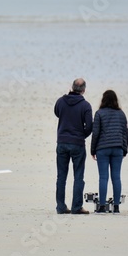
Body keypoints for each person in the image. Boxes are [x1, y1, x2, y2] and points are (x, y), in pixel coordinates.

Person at [54, 78, 92, 214]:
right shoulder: (86, 105)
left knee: (61, 176)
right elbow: (89, 126)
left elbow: (57, 113)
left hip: (62, 142)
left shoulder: (60, 101)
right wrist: (81, 136)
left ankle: (61, 207)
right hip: (77, 144)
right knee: (78, 176)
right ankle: (76, 207)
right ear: (84, 90)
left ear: (72, 87)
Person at [90, 90, 128, 214]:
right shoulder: (121, 114)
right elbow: (126, 133)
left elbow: (95, 133)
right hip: (118, 148)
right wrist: (124, 149)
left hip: (102, 148)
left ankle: (102, 206)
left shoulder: (99, 113)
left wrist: (93, 149)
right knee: (116, 177)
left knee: (103, 177)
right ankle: (116, 207)